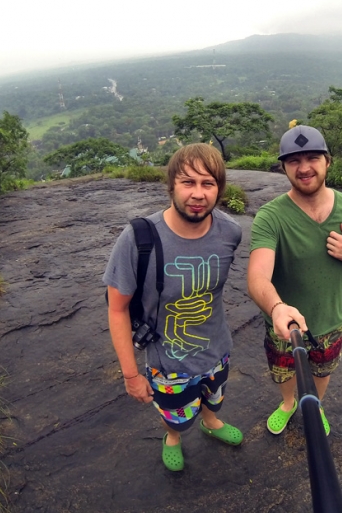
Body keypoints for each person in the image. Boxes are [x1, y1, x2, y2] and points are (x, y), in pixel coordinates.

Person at [104, 144, 243, 472]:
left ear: (219, 190)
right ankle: (173, 438)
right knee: (176, 417)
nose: (198, 193)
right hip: (169, 364)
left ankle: (210, 422)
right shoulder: (138, 239)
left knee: (214, 397)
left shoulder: (229, 233)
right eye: (188, 182)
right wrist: (130, 374)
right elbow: (116, 308)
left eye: (207, 184)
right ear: (171, 186)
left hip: (218, 349)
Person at [247, 125, 342, 436]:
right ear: (283, 166)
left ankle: (316, 405)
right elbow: (257, 276)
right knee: (283, 370)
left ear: (328, 161)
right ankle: (287, 404)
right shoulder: (271, 217)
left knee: (323, 368)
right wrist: (277, 308)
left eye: (312, 158)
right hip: (285, 323)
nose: (304, 167)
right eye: (294, 160)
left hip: (331, 319)